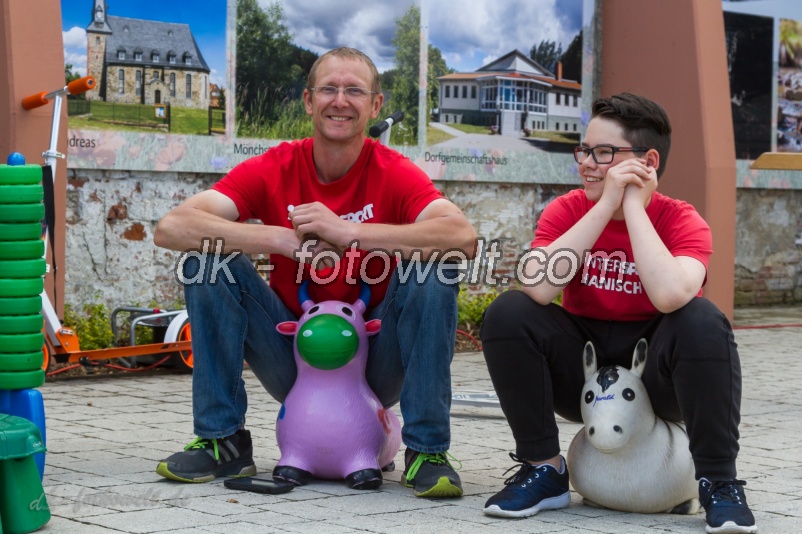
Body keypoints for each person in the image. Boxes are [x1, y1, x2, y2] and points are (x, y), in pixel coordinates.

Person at [152, 47, 476, 498]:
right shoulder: (274, 167)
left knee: (434, 270)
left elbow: (461, 236)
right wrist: (280, 239)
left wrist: (346, 232)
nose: (339, 100)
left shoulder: (394, 172)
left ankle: (426, 451)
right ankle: (222, 440)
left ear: (375, 105)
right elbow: (172, 228)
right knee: (204, 262)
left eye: (354, 91)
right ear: (308, 101)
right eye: (328, 89)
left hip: (373, 363)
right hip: (294, 358)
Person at [480, 93, 757, 533]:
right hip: (583, 368)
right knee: (509, 313)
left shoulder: (682, 220)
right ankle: (544, 471)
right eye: (583, 150)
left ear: (647, 161)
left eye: (603, 152)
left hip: (654, 376)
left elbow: (670, 295)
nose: (586, 163)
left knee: (703, 320)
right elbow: (537, 284)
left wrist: (631, 207)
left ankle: (718, 482)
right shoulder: (568, 210)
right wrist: (605, 204)